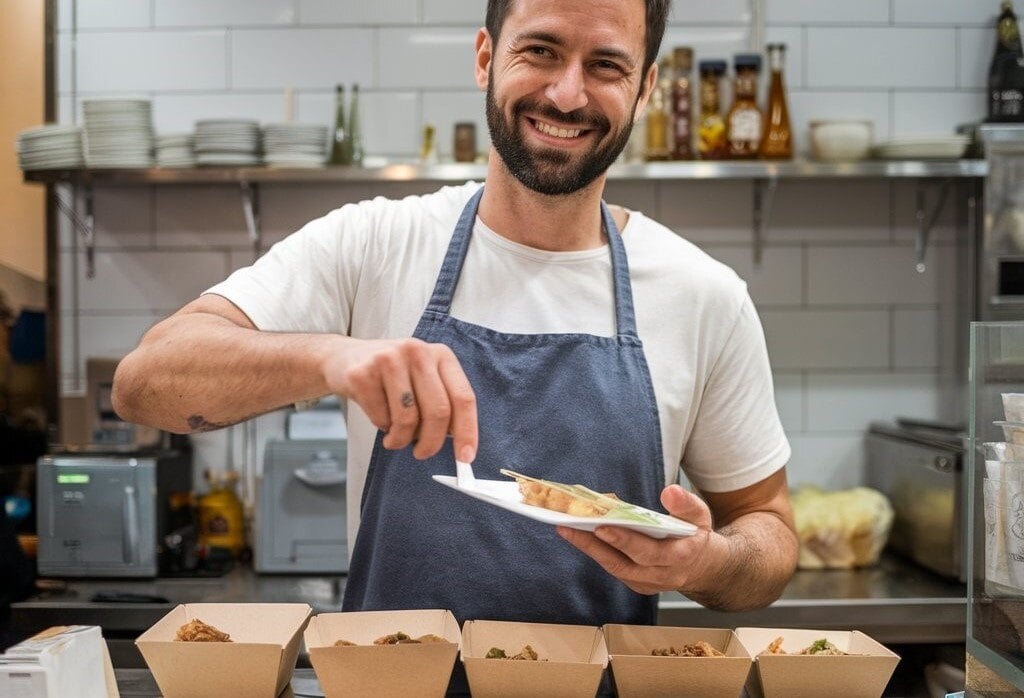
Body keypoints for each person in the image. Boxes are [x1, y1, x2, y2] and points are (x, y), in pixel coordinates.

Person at [113, 0, 797, 628]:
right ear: (484, 58)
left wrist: (706, 563)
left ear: (646, 88)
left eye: (606, 65)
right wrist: (332, 357)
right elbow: (144, 383)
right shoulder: (373, 244)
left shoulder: (703, 295)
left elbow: (767, 527)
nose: (567, 92)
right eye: (541, 51)